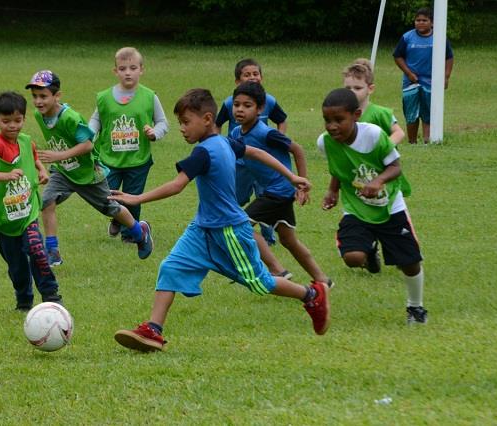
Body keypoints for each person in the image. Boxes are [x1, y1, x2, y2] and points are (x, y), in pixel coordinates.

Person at [110, 88, 331, 352]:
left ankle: (312, 295)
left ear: (206, 119)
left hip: (228, 230)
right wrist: (290, 175)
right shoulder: (225, 142)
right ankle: (153, 331)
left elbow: (177, 185)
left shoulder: (204, 152)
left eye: (185, 122)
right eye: (180, 123)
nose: (182, 129)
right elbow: (257, 153)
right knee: (170, 267)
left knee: (261, 283)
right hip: (202, 228)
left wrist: (137, 199)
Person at [319, 88, 426, 324]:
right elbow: (339, 168)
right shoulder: (325, 143)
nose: (332, 126)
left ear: (356, 115)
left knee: (409, 262)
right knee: (352, 257)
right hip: (356, 208)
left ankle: (415, 307)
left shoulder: (375, 135)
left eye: (339, 120)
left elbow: (396, 167)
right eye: (327, 120)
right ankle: (369, 253)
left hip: (390, 207)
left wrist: (378, 181)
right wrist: (332, 191)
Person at [25, 70, 154, 265]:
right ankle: (52, 251)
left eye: (43, 96)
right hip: (63, 171)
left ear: (57, 96)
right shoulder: (38, 114)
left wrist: (59, 155)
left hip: (87, 174)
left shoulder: (70, 118)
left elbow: (88, 145)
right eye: (35, 97)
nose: (38, 102)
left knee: (110, 208)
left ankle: (140, 231)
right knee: (47, 201)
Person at [231, 81, 331, 286]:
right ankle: (323, 280)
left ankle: (277, 270)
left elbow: (298, 150)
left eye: (247, 105)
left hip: (279, 190)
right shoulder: (235, 134)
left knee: (241, 226)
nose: (240, 109)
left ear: (260, 109)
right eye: (236, 104)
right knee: (288, 239)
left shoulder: (265, 132)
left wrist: (301, 184)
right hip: (273, 191)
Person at [0, 91, 63, 311]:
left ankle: (51, 295)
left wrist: (43, 171)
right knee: (17, 267)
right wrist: (5, 175)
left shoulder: (25, 141)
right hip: (5, 220)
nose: (12, 126)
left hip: (28, 213)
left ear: (24, 119)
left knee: (37, 250)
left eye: (17, 120)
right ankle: (24, 298)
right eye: (6, 121)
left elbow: (33, 157)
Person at [89, 47, 169, 240]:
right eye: (123, 68)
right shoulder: (105, 98)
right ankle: (117, 218)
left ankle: (130, 234)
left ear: (141, 69)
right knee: (107, 196)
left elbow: (163, 122)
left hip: (138, 160)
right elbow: (95, 121)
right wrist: (88, 136)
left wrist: (154, 133)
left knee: (133, 198)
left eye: (133, 68)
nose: (128, 72)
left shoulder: (149, 96)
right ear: (115, 71)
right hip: (109, 159)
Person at [216, 58, 288, 249]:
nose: (252, 77)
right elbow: (217, 123)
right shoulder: (229, 103)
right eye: (247, 74)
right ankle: (232, 226)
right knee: (236, 197)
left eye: (255, 74)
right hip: (240, 161)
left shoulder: (269, 102)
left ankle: (267, 237)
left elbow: (282, 120)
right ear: (237, 82)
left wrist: (279, 140)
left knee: (265, 196)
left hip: (264, 162)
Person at [393, 7, 454, 144]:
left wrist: (446, 76)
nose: (420, 23)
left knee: (429, 113)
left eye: (424, 20)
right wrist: (409, 73)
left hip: (432, 82)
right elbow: (397, 56)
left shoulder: (439, 37)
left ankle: (428, 140)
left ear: (432, 23)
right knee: (411, 113)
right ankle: (412, 142)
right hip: (411, 82)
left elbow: (449, 57)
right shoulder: (407, 37)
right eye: (418, 20)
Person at [343, 58, 405, 144]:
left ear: (370, 89)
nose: (352, 91)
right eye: (348, 88)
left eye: (357, 88)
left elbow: (399, 133)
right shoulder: (341, 112)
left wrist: (384, 149)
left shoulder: (380, 113)